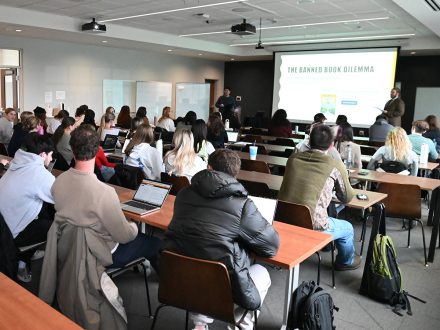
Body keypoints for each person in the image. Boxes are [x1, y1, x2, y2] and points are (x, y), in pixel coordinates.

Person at [40, 125, 160, 328]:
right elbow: (124, 236)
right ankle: (170, 296)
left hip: (68, 250)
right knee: (155, 243)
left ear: (72, 148)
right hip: (102, 252)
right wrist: (132, 225)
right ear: (97, 151)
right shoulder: (104, 192)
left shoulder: (57, 183)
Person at [162, 149, 279, 330]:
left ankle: (200, 324)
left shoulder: (184, 194)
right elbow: (271, 247)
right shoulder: (243, 205)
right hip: (221, 286)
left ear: (209, 168)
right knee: (262, 272)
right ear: (235, 174)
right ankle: (240, 325)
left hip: (181, 280)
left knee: (201, 260)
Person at [279, 125, 360, 271]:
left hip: (284, 218)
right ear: (331, 144)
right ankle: (345, 262)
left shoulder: (293, 159)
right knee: (348, 228)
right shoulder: (335, 164)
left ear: (309, 141)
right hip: (313, 224)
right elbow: (346, 198)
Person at [0, 133, 55, 282]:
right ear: (42, 154)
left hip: (4, 227)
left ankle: (29, 251)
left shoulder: (15, 164)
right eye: (50, 156)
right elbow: (62, 199)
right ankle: (23, 262)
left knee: (41, 209)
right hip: (11, 236)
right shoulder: (40, 174)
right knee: (59, 225)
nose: (50, 160)